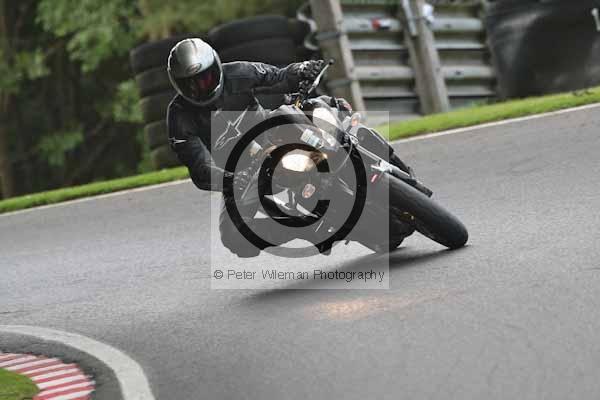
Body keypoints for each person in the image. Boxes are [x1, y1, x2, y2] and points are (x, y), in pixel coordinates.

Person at [166, 38, 409, 257]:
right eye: (191, 85)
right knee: (234, 237)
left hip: (273, 132)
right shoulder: (179, 117)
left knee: (322, 110)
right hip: (243, 171)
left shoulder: (238, 72)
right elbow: (200, 168)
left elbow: (278, 76)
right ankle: (310, 228)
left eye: (206, 78)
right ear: (178, 85)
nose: (201, 88)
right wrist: (230, 179)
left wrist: (301, 69)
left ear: (216, 68)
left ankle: (388, 163)